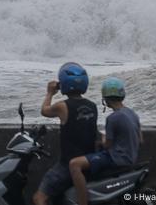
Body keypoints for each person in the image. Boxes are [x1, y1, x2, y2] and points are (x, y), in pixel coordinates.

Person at [68, 77, 142, 205]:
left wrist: (102, 139)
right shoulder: (132, 114)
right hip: (131, 158)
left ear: (106, 99)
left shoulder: (113, 118)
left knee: (75, 164)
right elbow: (140, 140)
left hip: (117, 159)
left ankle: (82, 202)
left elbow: (108, 145)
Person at [33, 62, 98, 205]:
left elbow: (44, 110)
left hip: (67, 165)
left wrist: (50, 92)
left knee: (39, 199)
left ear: (64, 83)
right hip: (88, 161)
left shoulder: (63, 106)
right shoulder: (92, 106)